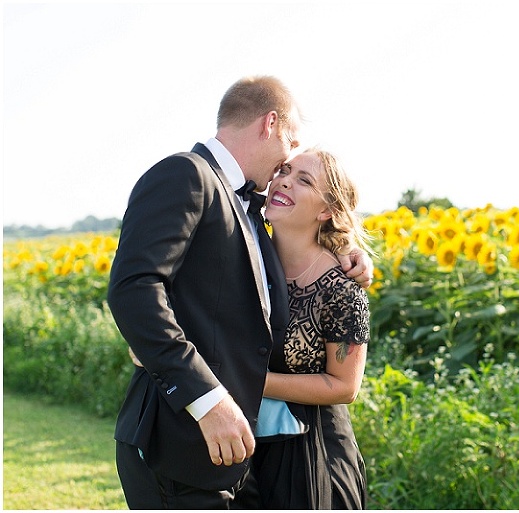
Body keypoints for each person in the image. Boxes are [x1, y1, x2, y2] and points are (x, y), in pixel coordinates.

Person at [107, 76, 373, 509]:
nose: (285, 167)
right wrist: (208, 398)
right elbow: (135, 289)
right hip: (179, 444)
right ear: (271, 124)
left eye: (300, 175)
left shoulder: (251, 211)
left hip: (249, 458)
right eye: (290, 146)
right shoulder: (187, 175)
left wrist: (345, 248)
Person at [246, 147, 372, 509]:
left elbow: (344, 386)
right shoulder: (246, 259)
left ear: (326, 211)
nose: (284, 180)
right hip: (246, 450)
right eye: (284, 170)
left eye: (304, 180)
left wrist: (248, 379)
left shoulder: (342, 291)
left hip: (313, 456)